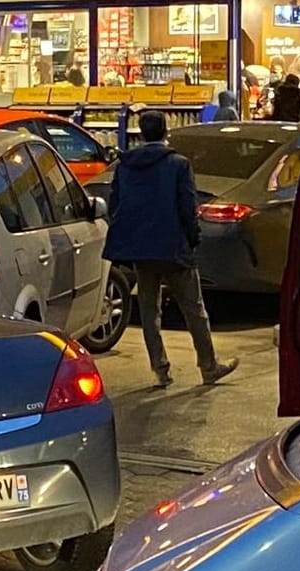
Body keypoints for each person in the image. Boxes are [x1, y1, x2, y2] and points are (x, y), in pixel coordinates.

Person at [102, 111, 239, 388]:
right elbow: (187, 207)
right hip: (173, 247)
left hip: (141, 249)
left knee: (149, 311)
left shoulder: (126, 166)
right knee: (194, 308)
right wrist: (192, 238)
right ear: (166, 131)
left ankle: (160, 369)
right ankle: (208, 366)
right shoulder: (178, 165)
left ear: (140, 133)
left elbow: (116, 204)